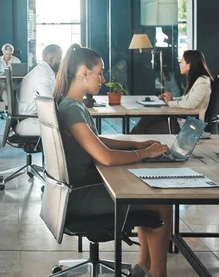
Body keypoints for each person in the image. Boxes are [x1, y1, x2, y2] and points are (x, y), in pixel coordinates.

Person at [54, 44, 172, 277]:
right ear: (84, 73)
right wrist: (145, 154)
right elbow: (105, 157)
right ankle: (157, 273)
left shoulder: (70, 104)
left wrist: (135, 145)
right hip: (80, 196)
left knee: (144, 190)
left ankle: (143, 266)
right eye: (100, 72)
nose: (103, 78)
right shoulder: (72, 110)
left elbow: (95, 140)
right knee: (160, 200)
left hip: (72, 192)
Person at [131, 50, 213, 134]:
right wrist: (170, 99)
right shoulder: (198, 80)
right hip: (183, 118)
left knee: (146, 121)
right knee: (147, 119)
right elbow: (186, 99)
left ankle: (130, 142)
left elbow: (190, 103)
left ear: (189, 64)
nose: (179, 64)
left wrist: (170, 102)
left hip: (189, 123)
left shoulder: (202, 82)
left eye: (181, 62)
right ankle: (130, 141)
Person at [15, 44, 63, 135]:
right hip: (28, 121)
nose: (62, 62)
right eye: (60, 59)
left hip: (32, 118)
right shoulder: (43, 74)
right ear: (51, 59)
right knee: (70, 127)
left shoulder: (45, 71)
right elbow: (50, 104)